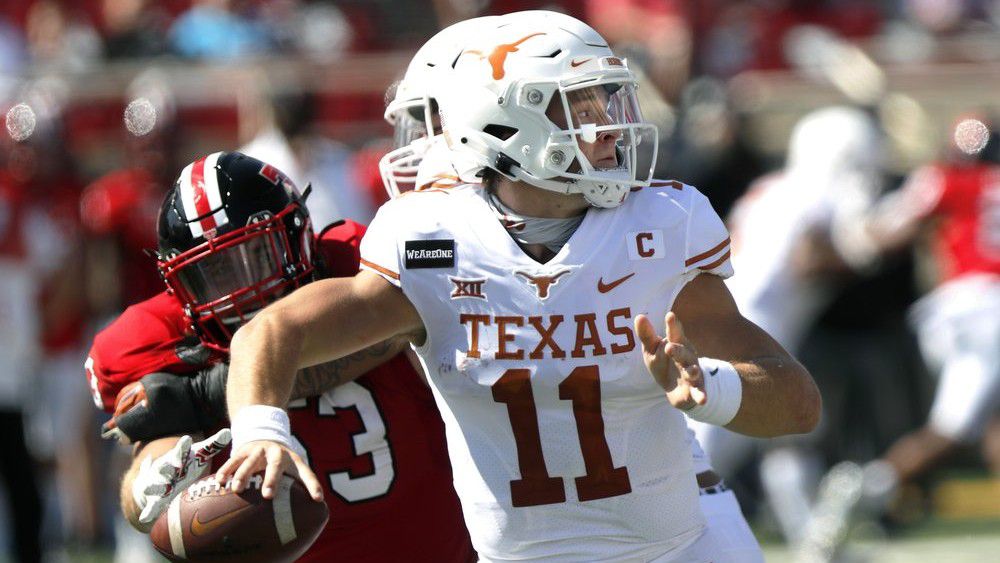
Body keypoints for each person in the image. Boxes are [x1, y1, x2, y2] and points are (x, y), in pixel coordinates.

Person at [218, 12, 820, 562]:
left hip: (677, 547)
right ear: (505, 123)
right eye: (579, 107)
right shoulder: (431, 240)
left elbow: (798, 403)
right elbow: (272, 332)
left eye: (605, 102)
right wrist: (260, 431)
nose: (610, 127)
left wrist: (708, 387)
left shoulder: (660, 227)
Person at [380, 14, 765, 561]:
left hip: (666, 519)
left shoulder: (650, 221)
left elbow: (782, 387)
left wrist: (713, 386)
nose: (422, 149)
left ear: (484, 118)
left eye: (431, 124)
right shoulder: (426, 240)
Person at [87, 152, 474, 562]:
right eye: (215, 272)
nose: (243, 286)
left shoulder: (354, 265)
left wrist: (207, 394)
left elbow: (414, 325)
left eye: (257, 255)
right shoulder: (157, 336)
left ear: (299, 235)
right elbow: (154, 452)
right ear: (179, 285)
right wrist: (147, 484)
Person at [800, 115, 1000, 560]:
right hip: (985, 311)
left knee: (987, 423)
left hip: (965, 308)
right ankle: (861, 490)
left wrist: (854, 238)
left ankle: (863, 490)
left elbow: (889, 229)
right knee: (955, 427)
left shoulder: (947, 178)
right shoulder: (959, 181)